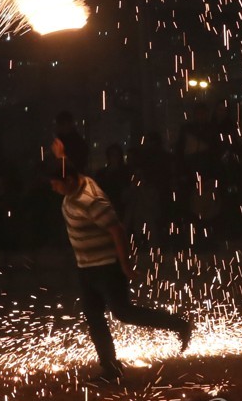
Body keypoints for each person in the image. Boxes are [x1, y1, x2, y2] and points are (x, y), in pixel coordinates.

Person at [48, 160, 190, 382]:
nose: (53, 189)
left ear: (69, 181)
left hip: (106, 266)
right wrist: (62, 155)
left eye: (56, 184)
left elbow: (117, 230)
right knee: (94, 316)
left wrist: (125, 265)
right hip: (86, 267)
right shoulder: (77, 182)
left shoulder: (91, 200)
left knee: (123, 312)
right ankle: (110, 368)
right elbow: (70, 168)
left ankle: (178, 324)